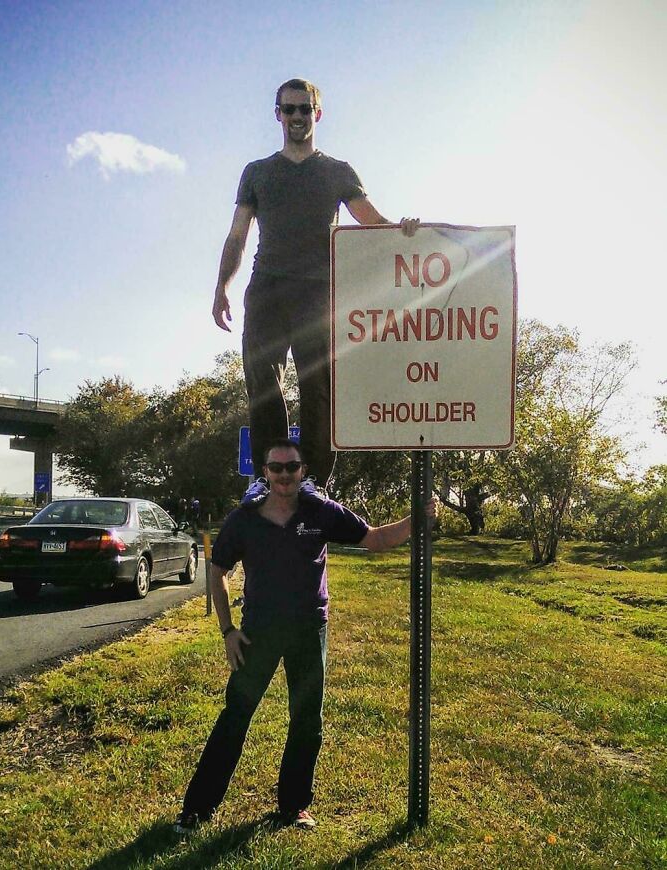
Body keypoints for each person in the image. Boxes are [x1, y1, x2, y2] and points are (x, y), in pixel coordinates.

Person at [174, 437, 437, 833]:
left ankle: (294, 806)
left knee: (306, 720)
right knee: (236, 715)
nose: (283, 475)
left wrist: (416, 519)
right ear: (264, 472)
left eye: (291, 467)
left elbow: (375, 539)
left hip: (309, 630)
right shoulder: (243, 519)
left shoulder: (322, 512)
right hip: (257, 633)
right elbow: (218, 572)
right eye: (276, 467)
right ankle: (197, 808)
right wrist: (227, 629)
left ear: (303, 472)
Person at [211, 78, 419, 488]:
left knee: (318, 388)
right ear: (278, 115)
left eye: (304, 109)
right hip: (267, 288)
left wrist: (406, 229)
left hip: (319, 293)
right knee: (263, 387)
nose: (297, 117)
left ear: (317, 114)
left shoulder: (337, 172)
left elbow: (373, 223)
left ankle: (315, 480)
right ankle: (268, 478)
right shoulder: (257, 172)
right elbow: (237, 234)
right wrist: (221, 287)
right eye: (289, 109)